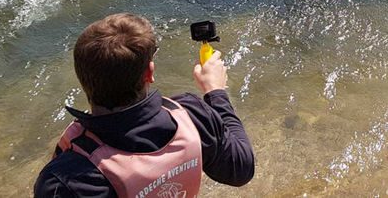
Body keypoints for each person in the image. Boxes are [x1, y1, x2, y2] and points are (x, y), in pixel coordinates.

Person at [34, 13, 255, 198]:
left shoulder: (65, 180)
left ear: (81, 77)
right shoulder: (191, 114)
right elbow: (241, 169)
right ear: (149, 72)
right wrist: (216, 93)